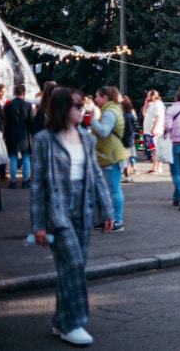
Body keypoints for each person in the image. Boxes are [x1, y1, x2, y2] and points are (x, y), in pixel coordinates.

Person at [30, 87, 115, 345]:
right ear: (62, 109)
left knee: (69, 269)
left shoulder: (87, 139)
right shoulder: (45, 139)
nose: (83, 109)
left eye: (82, 105)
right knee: (75, 264)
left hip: (84, 206)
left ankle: (59, 320)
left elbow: (97, 176)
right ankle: (73, 324)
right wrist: (38, 225)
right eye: (77, 106)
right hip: (58, 209)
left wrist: (108, 210)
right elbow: (37, 186)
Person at [90, 86, 129, 232]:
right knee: (108, 190)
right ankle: (109, 220)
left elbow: (104, 132)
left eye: (97, 96)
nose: (95, 99)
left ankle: (117, 221)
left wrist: (93, 119)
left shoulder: (109, 112)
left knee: (113, 189)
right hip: (111, 155)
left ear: (105, 97)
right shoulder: (113, 110)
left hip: (111, 156)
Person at [4, 84, 34, 189]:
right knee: (26, 158)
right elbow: (31, 122)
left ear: (15, 93)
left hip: (11, 134)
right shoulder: (28, 105)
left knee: (13, 158)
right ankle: (25, 180)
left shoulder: (8, 105)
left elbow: (5, 122)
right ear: (24, 93)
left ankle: (13, 180)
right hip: (25, 136)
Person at [142, 89, 165, 173]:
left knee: (156, 149)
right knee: (152, 150)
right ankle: (154, 165)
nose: (147, 97)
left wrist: (154, 128)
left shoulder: (158, 104)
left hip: (155, 131)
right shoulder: (151, 104)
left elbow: (158, 117)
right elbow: (144, 113)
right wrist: (145, 104)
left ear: (153, 96)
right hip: (148, 131)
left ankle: (159, 167)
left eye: (148, 95)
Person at [121, 96, 139, 182]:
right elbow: (135, 127)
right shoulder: (131, 115)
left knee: (125, 159)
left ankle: (126, 175)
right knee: (128, 158)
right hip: (130, 138)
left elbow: (126, 129)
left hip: (126, 139)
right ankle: (128, 175)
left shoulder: (125, 116)